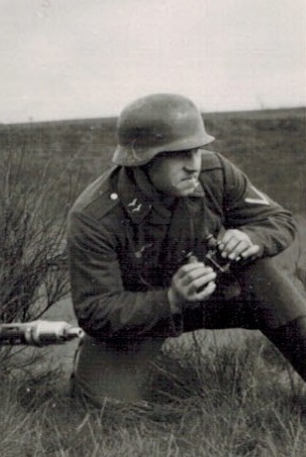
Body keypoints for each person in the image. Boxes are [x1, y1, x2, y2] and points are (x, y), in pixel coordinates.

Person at [67, 93, 306, 407]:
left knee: (261, 270)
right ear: (143, 159)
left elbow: (276, 219)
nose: (193, 166)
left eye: (196, 151)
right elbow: (96, 310)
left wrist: (251, 237)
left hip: (214, 296)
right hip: (146, 313)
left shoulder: (214, 172)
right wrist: (170, 299)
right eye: (179, 155)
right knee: (104, 406)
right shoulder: (94, 216)